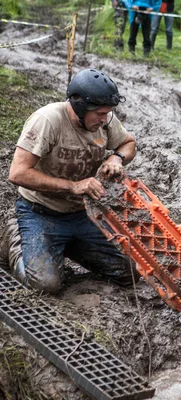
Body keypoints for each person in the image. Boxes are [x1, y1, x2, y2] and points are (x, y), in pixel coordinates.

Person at [5, 69, 137, 294]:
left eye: (108, 113)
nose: (105, 119)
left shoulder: (105, 120)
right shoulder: (48, 120)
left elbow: (128, 143)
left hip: (81, 215)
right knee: (45, 286)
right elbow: (17, 173)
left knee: (130, 273)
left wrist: (117, 157)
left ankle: (68, 246)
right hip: (40, 213)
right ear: (80, 108)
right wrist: (73, 186)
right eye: (99, 113)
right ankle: (15, 235)